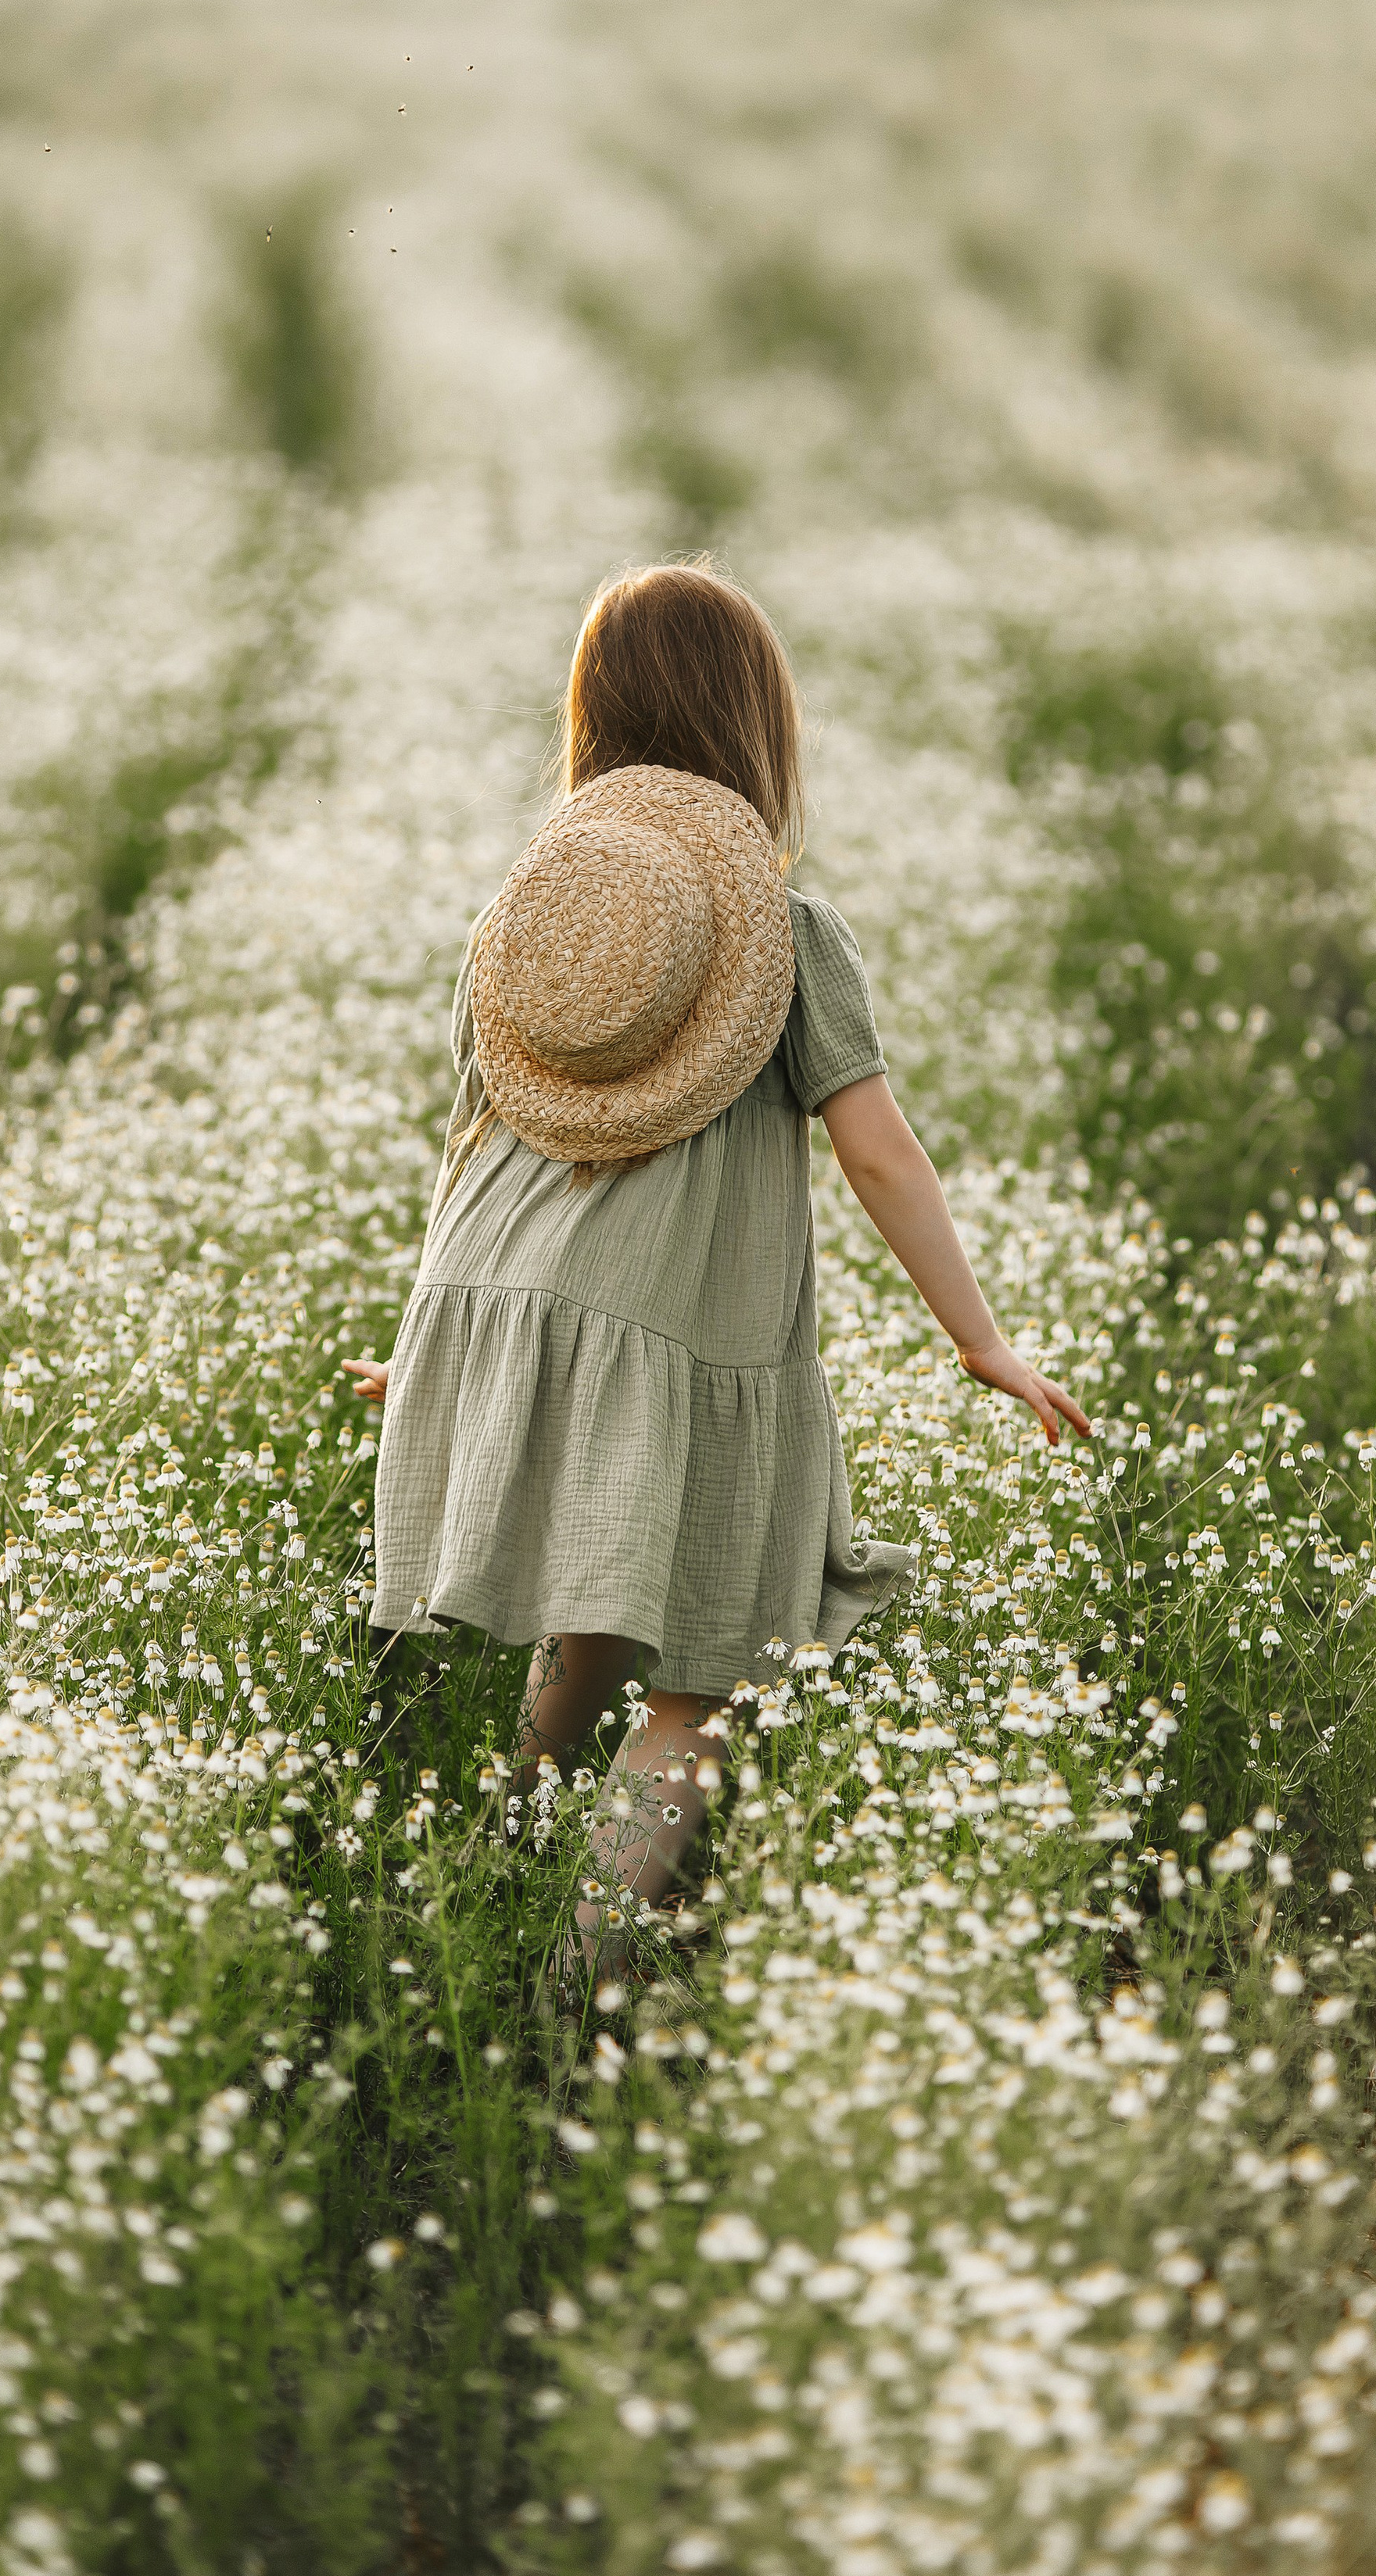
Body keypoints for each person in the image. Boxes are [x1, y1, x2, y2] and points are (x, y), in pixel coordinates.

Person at [343, 562, 1087, 1975]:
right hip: (672, 1331)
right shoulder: (789, 940)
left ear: (593, 723)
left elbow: (469, 1142)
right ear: (757, 728)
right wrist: (979, 1337)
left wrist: (429, 1341)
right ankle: (584, 1984)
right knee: (704, 1683)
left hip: (489, 1289)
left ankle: (491, 1874)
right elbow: (878, 1155)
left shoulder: (524, 925)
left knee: (592, 1616)